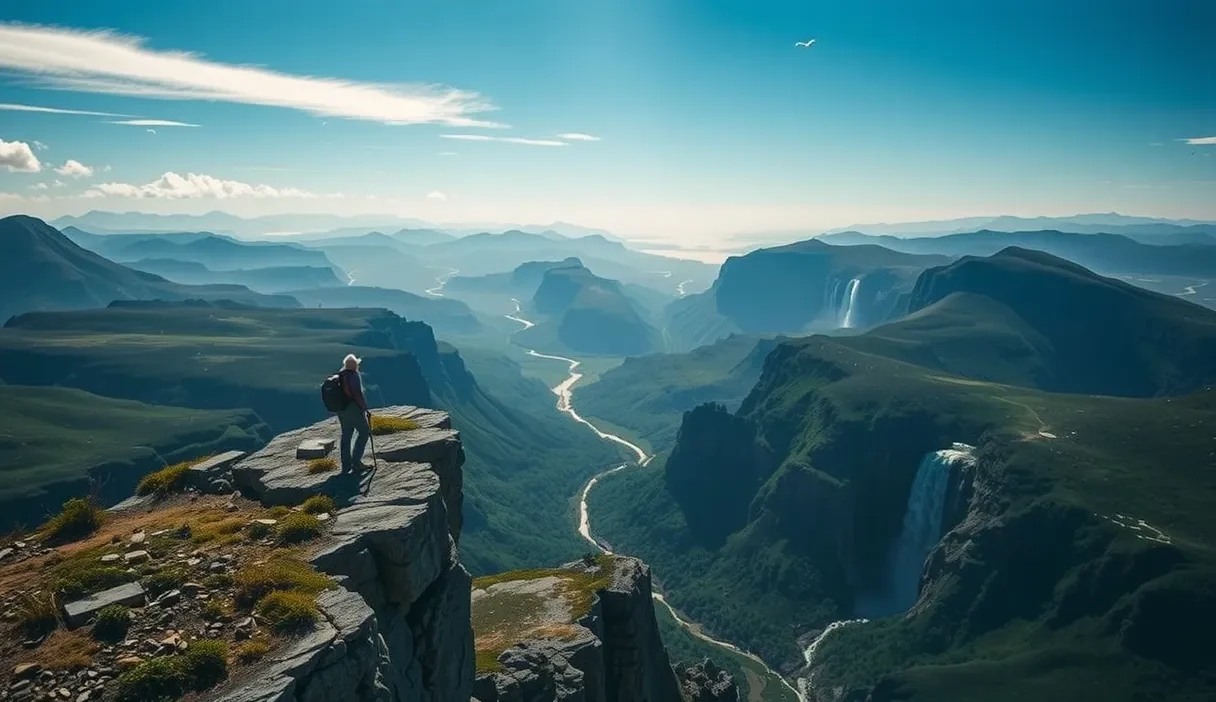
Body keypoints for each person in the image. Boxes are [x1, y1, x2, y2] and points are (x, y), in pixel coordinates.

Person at [337, 354, 372, 473]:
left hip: (341, 410)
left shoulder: (340, 375)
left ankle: (346, 464)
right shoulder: (354, 375)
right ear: (355, 365)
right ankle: (356, 462)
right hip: (352, 409)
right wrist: (365, 408)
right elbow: (357, 393)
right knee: (364, 431)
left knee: (346, 435)